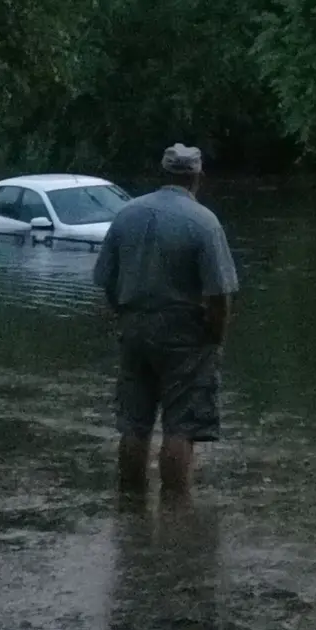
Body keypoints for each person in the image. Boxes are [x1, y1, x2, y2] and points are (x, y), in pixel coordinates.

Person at [93, 143, 239, 497]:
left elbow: (105, 281)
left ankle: (130, 505)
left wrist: (124, 318)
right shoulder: (204, 222)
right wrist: (215, 337)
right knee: (181, 426)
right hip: (183, 335)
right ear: (197, 177)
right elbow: (219, 295)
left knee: (134, 424)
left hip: (133, 327)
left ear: (162, 173)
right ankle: (176, 514)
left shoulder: (126, 215)